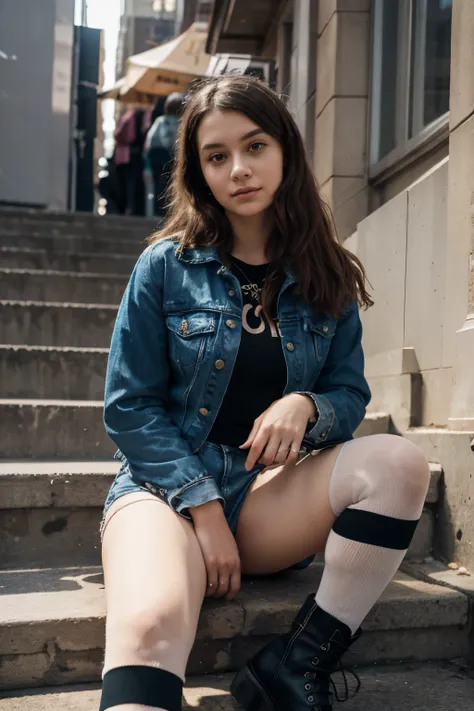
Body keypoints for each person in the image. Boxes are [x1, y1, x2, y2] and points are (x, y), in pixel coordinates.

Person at [99, 75, 431, 711]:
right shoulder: (165, 265)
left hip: (264, 497)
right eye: (217, 156)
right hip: (163, 493)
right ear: (199, 173)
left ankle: (294, 664)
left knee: (399, 463)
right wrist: (201, 508)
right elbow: (128, 407)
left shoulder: (325, 271)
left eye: (254, 146)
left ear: (285, 151)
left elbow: (349, 393)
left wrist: (306, 406)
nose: (239, 169)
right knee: (150, 625)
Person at [144, 91, 185, 217]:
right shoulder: (177, 122)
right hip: (167, 156)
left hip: (154, 156)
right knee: (167, 184)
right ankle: (164, 212)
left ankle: (158, 211)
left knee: (158, 184)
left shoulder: (160, 120)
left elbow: (149, 140)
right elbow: (170, 140)